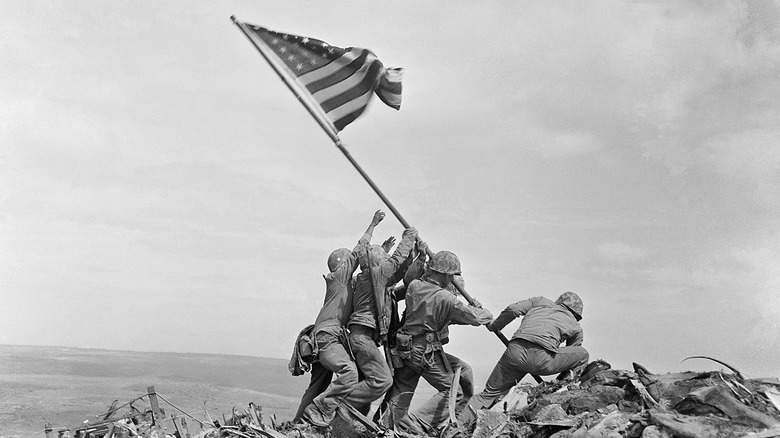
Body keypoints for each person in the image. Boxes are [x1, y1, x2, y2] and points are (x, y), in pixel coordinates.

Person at [385, 251, 493, 434]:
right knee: (453, 391)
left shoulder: (415, 286)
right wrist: (483, 311)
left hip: (406, 348)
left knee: (403, 389)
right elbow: (475, 318)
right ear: (444, 274)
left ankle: (385, 424)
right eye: (451, 275)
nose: (451, 279)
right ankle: (416, 425)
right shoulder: (446, 298)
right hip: (424, 351)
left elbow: (443, 313)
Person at [297, 210, 387, 427]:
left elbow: (368, 273)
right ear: (342, 264)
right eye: (348, 262)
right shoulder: (338, 278)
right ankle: (320, 411)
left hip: (326, 337)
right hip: (328, 336)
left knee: (318, 384)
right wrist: (373, 225)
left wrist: (382, 252)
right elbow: (358, 252)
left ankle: (298, 423)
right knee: (349, 372)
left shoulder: (345, 284)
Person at [460, 292, 589, 424]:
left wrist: (495, 326)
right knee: (583, 354)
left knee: (487, 395)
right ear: (577, 314)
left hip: (515, 353)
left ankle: (456, 426)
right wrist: (558, 383)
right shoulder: (575, 326)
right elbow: (571, 358)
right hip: (542, 360)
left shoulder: (540, 301)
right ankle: (562, 389)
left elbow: (513, 309)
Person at [342, 225, 419, 415]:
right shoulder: (376, 275)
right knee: (383, 380)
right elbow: (396, 260)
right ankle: (339, 403)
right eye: (384, 259)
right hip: (363, 337)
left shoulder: (368, 278)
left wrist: (414, 257)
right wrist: (409, 236)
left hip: (363, 337)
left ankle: (347, 421)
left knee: (365, 385)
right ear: (378, 262)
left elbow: (398, 272)